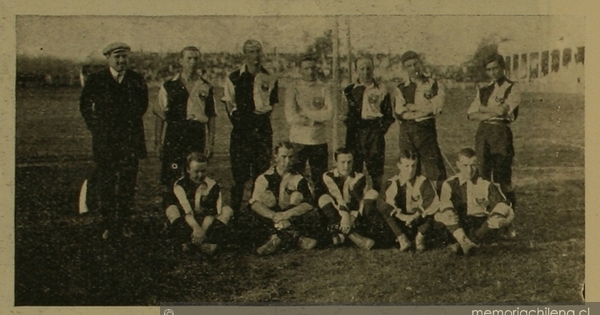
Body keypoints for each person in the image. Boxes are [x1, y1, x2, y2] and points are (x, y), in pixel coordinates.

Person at [79, 42, 148, 240]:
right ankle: (108, 225)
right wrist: (96, 127)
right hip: (105, 142)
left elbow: (142, 106)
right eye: (117, 57)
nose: (121, 61)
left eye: (124, 57)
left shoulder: (136, 79)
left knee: (127, 184)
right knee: (106, 184)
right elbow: (85, 105)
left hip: (129, 141)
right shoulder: (96, 79)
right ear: (108, 58)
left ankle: (125, 223)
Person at [222, 39, 279, 213]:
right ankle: (234, 214)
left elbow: (272, 104)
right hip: (241, 130)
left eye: (258, 51)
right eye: (252, 52)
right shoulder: (234, 77)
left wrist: (261, 119)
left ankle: (257, 213)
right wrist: (240, 122)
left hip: (262, 129)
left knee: (261, 174)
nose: (256, 56)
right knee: (239, 176)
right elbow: (228, 104)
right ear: (245, 54)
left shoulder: (270, 77)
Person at [153, 46, 216, 200]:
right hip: (174, 134)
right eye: (189, 58)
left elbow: (211, 116)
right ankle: (172, 213)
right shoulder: (169, 85)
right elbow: (160, 114)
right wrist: (158, 142)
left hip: (196, 134)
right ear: (181, 61)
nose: (193, 62)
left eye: (196, 58)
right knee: (172, 175)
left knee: (194, 175)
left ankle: (191, 212)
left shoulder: (205, 86)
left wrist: (210, 143)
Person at [467, 53, 520, 221]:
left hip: (500, 132)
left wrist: (483, 109)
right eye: (489, 69)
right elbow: (470, 114)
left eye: (495, 68)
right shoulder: (483, 89)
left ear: (502, 67)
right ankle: (486, 217)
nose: (493, 72)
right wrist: (489, 111)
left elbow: (503, 111)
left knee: (502, 178)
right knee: (482, 176)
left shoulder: (512, 87)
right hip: (483, 133)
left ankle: (508, 218)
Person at [438, 148, 515, 255]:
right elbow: (444, 206)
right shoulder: (449, 184)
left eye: (473, 165)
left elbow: (504, 206)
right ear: (458, 164)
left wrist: (505, 221)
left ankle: (464, 244)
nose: (469, 170)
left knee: (499, 213)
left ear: (477, 164)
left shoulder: (485, 183)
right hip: (459, 225)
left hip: (481, 226)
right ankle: (465, 242)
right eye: (465, 165)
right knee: (446, 213)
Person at [248, 142, 320, 255]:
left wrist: (286, 215)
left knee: (297, 198)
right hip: (272, 217)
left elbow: (308, 203)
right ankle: (296, 238)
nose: (287, 161)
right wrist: (275, 216)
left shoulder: (298, 178)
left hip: (289, 217)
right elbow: (254, 203)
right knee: (262, 205)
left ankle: (277, 238)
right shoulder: (264, 178)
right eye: (283, 156)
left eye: (290, 157)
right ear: (275, 156)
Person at [341, 56, 395, 192]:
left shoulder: (381, 89)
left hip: (374, 131)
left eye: (369, 68)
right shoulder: (349, 90)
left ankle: (376, 198)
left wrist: (379, 130)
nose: (365, 72)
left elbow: (388, 115)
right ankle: (354, 200)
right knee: (354, 167)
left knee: (376, 168)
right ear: (356, 70)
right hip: (355, 132)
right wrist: (352, 126)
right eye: (362, 69)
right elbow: (344, 114)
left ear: (373, 69)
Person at [395, 51, 447, 190]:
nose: (414, 68)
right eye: (409, 66)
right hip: (407, 131)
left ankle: (440, 202)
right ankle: (410, 201)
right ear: (405, 68)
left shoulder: (433, 84)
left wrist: (413, 107)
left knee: (435, 168)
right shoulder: (401, 88)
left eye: (415, 64)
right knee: (409, 168)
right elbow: (400, 112)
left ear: (420, 63)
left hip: (426, 130)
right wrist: (422, 110)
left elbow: (436, 106)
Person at [164, 152, 233, 254]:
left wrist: (202, 231)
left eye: (203, 171)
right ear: (188, 170)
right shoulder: (180, 185)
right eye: (196, 171)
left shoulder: (212, 185)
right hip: (188, 222)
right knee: (172, 209)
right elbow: (186, 212)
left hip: (206, 222)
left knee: (227, 210)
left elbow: (211, 212)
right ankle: (188, 242)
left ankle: (199, 244)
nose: (200, 175)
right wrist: (196, 228)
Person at [284, 54, 333, 199]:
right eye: (306, 68)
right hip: (298, 141)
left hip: (319, 141)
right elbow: (290, 117)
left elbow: (329, 114)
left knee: (320, 180)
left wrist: (304, 113)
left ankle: (321, 212)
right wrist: (315, 119)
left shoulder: (324, 88)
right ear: (300, 70)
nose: (310, 71)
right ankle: (296, 211)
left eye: (313, 68)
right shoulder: (293, 89)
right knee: (295, 178)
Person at [376, 150, 441, 252]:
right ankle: (402, 238)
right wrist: (403, 216)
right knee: (384, 207)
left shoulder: (422, 181)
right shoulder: (393, 182)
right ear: (399, 165)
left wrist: (415, 216)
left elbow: (432, 201)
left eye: (413, 166)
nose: (411, 170)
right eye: (407, 166)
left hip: (418, 220)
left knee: (432, 212)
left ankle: (420, 237)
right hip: (401, 221)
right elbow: (387, 202)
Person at [318, 147, 380, 250]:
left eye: (349, 162)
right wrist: (345, 216)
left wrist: (350, 219)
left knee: (370, 197)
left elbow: (358, 202)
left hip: (354, 215)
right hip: (337, 211)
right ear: (336, 162)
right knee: (323, 199)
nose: (346, 166)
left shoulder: (359, 177)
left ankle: (340, 234)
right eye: (342, 162)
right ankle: (353, 236)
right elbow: (337, 198)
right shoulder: (328, 176)